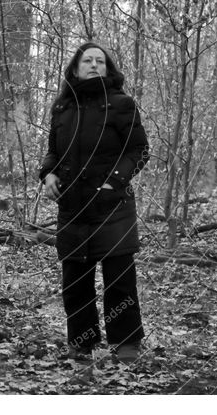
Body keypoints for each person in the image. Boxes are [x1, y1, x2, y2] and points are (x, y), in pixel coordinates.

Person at [39, 41, 149, 364]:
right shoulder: (62, 108)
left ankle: (126, 346)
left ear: (107, 68)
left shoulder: (122, 104)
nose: (93, 65)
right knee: (75, 282)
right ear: (75, 68)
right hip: (72, 209)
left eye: (100, 61)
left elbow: (139, 150)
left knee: (119, 281)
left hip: (113, 207)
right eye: (87, 60)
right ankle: (81, 345)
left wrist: (115, 180)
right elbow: (53, 152)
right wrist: (47, 174)